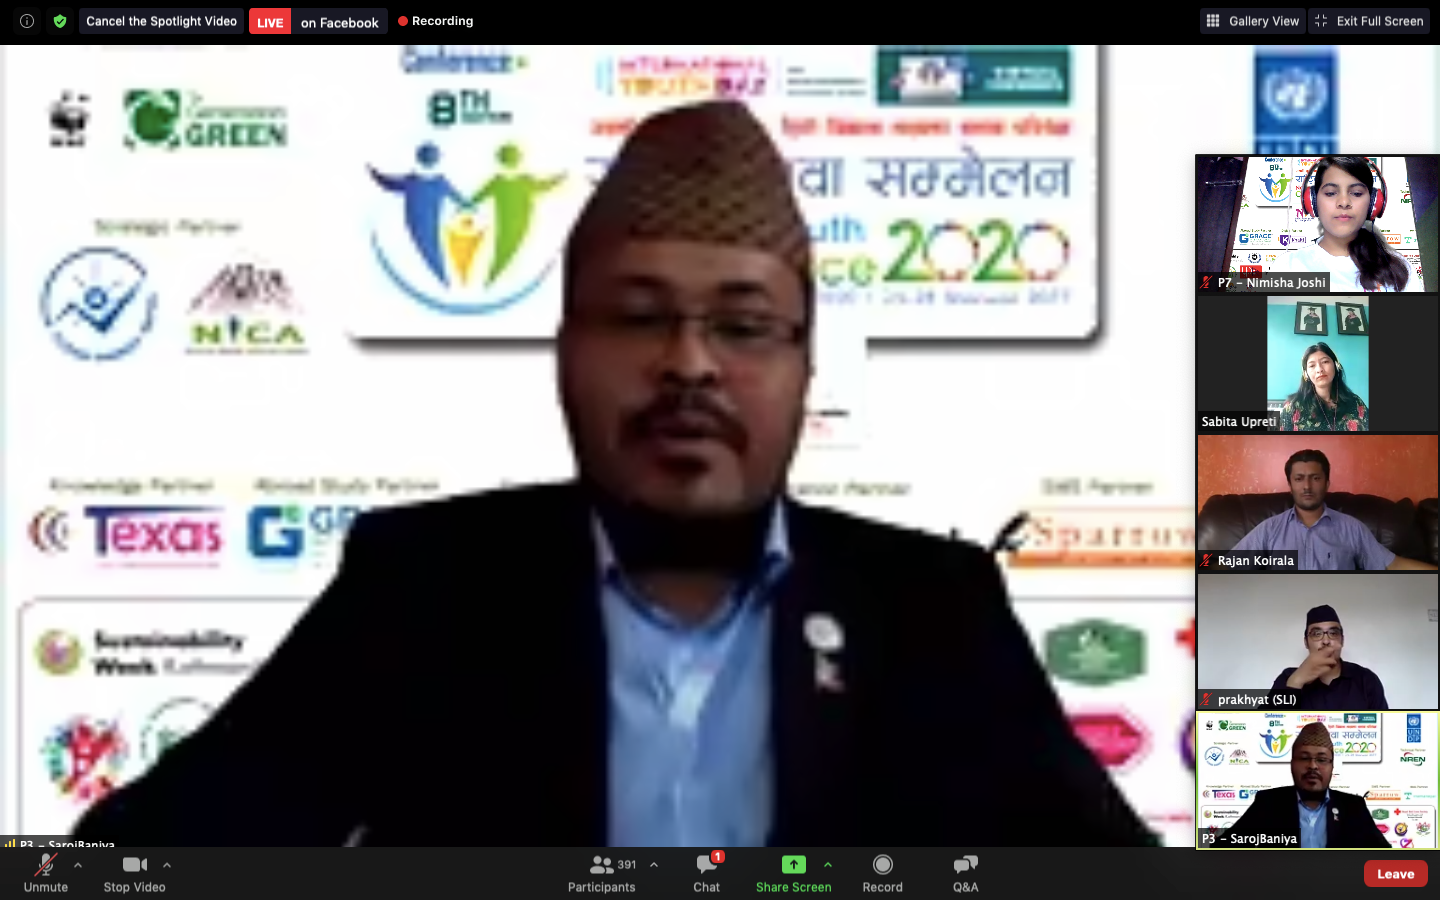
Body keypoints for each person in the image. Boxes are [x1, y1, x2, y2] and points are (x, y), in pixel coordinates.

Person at [69, 100, 1157, 848]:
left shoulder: (931, 608)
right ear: (563, 352)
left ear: (804, 367)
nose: (689, 365)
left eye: (744, 326)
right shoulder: (425, 586)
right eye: (638, 318)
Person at [1225, 449, 1435, 570]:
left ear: (1327, 483)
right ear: (1290, 485)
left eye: (1315, 478)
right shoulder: (1270, 529)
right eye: (1299, 479)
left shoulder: (1351, 528)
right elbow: (1228, 564)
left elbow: (1392, 565)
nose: (1307, 487)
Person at [1218, 723, 1388, 848]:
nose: (1312, 766)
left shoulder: (1353, 807)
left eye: (1321, 759)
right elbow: (1222, 848)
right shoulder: (1268, 802)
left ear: (1332, 766)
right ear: (1292, 764)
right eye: (1304, 758)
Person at [1281, 155, 1421, 292]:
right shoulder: (1288, 267)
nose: (1344, 202)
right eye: (1330, 193)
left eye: (1356, 193)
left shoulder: (1400, 270)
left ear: (1373, 202)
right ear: (1312, 201)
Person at [1268, 605, 1387, 710]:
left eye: (1333, 633)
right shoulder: (1288, 678)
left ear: (1342, 640)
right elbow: (1266, 723)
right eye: (1316, 634)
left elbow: (1384, 725)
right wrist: (1296, 682)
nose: (1326, 641)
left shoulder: (1366, 680)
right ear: (1306, 642)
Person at [1278, 342, 1368, 431]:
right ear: (1306, 374)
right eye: (1312, 365)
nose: (1319, 369)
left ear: (1336, 366)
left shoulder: (1355, 402)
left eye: (1325, 362)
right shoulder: (1292, 407)